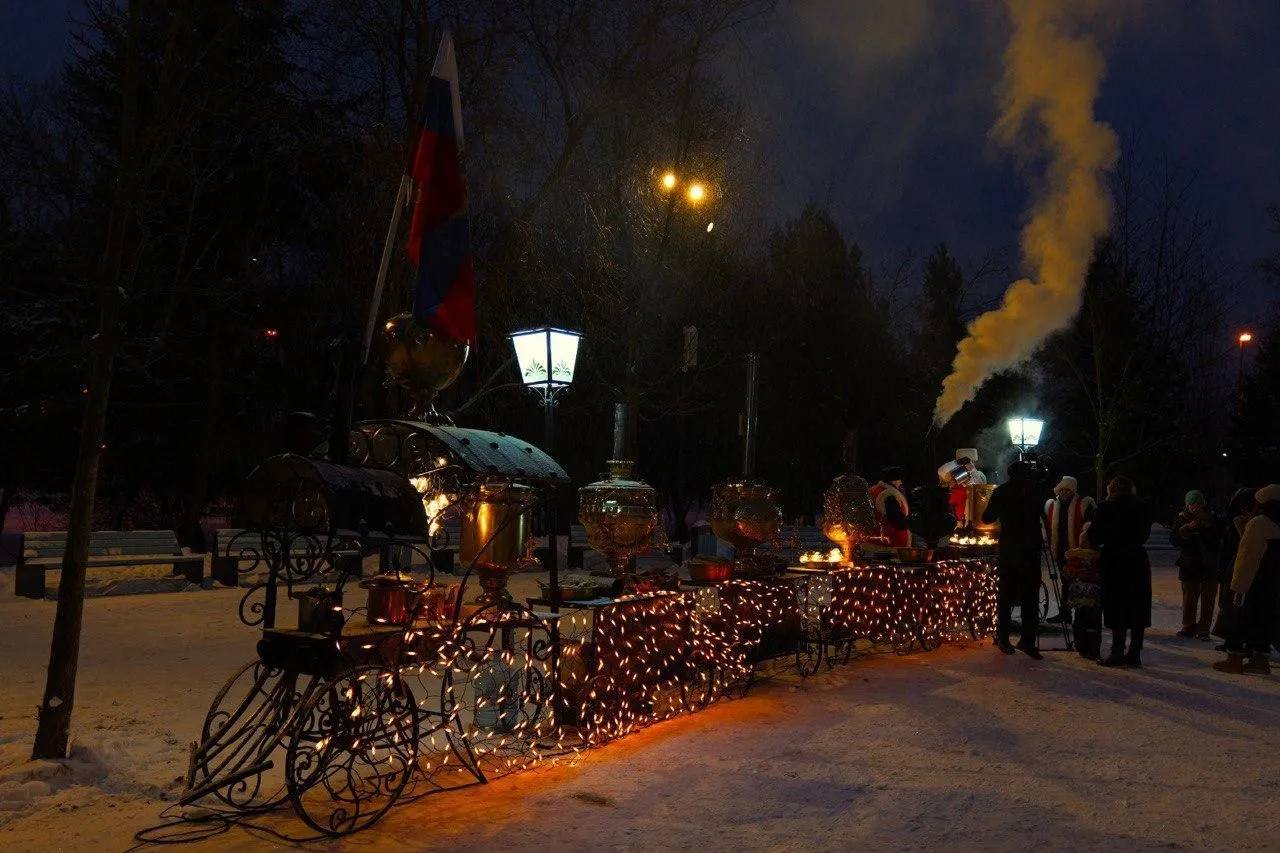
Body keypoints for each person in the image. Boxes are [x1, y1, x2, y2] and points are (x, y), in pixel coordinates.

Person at [982, 460, 1049, 659]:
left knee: (1006, 596)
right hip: (1031, 549)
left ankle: (1004, 639)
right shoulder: (1036, 490)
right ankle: (1028, 640)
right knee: (1031, 597)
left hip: (1010, 549)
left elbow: (987, 518)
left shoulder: (1001, 492)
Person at [1213, 484, 1280, 675]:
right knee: (1264, 619)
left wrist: (1238, 586)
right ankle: (1260, 660)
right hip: (1272, 584)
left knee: (1238, 618)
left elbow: (1247, 557)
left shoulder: (1259, 523)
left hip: (1252, 581)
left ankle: (1234, 659)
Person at [1087, 476, 1153, 667]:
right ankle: (1134, 653)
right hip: (1137, 560)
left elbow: (1094, 536)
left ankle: (1117, 652)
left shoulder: (1106, 508)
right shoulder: (1143, 507)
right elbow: (1144, 535)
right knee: (1137, 605)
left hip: (1114, 560)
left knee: (1117, 605)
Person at [1170, 489, 1224, 640]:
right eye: (1192, 503)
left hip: (1209, 565)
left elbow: (1220, 536)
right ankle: (1188, 626)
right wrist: (1188, 529)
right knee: (1189, 597)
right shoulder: (1181, 519)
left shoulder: (1212, 519)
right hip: (1190, 564)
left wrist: (1206, 527)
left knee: (1208, 599)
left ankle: (1204, 629)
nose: (1195, 507)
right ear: (1187, 505)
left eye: (1198, 503)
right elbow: (1174, 539)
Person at [1043, 476, 1097, 624]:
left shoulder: (1083, 505)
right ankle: (1066, 612)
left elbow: (1090, 527)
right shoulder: (1053, 506)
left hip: (1078, 551)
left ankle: (1078, 614)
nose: (1064, 493)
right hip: (1061, 551)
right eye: (1062, 490)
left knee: (1078, 582)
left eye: (1068, 490)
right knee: (1066, 582)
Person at [1211, 488, 1257, 650]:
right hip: (1233, 568)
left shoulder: (1252, 524)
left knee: (1241, 607)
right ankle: (1231, 640)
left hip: (1243, 570)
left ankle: (1243, 644)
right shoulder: (1234, 523)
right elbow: (1226, 549)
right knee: (1229, 606)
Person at [870, 467, 911, 547]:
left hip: (873, 540)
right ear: (894, 480)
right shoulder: (889, 494)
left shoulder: (872, 491)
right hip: (890, 543)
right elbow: (897, 521)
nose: (901, 483)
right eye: (899, 480)